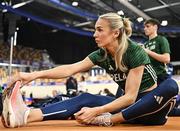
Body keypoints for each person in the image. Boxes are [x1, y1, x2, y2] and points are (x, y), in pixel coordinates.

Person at [1, 13, 179, 128]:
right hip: (127, 109)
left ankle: (110, 120)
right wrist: (32, 75)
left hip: (149, 111)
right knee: (85, 98)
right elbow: (71, 68)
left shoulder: (135, 51)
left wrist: (99, 112)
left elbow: (131, 97)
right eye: (95, 30)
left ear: (115, 33)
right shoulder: (101, 55)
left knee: (171, 85)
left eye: (99, 30)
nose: (94, 35)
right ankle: (26, 116)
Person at [143, 19, 171, 85]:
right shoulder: (145, 44)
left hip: (160, 76)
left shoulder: (161, 39)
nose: (145, 29)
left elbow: (166, 59)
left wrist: (147, 51)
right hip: (148, 77)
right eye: (144, 27)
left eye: (147, 26)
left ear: (155, 27)